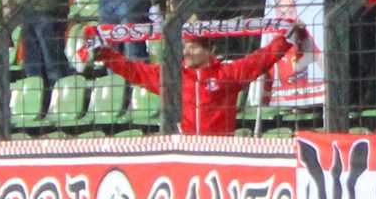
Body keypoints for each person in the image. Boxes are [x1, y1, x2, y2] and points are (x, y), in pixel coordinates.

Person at [97, 26, 298, 135]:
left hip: (221, 150)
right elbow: (134, 71)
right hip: (187, 150)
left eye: (193, 47)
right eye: (185, 46)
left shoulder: (228, 74)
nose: (186, 52)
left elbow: (259, 60)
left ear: (210, 50)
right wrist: (104, 54)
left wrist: (286, 40)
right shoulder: (173, 76)